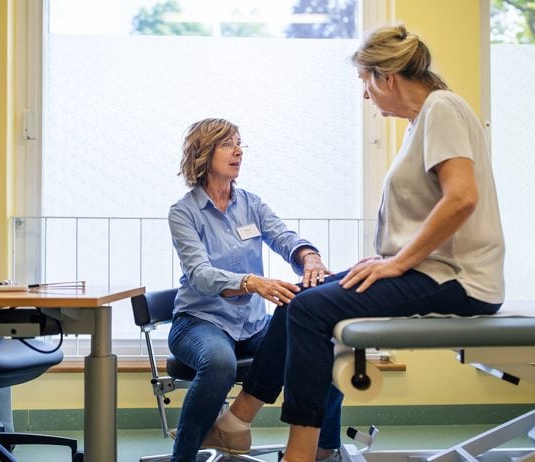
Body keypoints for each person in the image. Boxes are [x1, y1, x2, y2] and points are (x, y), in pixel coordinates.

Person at [202, 23, 506, 462]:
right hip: (432, 270)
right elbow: (433, 208)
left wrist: (397, 262)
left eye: (366, 82)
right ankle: (237, 421)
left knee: (309, 310)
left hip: (459, 280)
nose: (365, 94)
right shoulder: (424, 120)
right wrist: (389, 257)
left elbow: (461, 198)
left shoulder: (441, 108)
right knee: (297, 297)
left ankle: (300, 453)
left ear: (388, 78)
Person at [167, 118, 345, 462]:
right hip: (199, 322)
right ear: (203, 153)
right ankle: (185, 455)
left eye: (240, 144)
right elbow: (200, 275)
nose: (238, 152)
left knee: (322, 350)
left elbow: (283, 237)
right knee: (220, 363)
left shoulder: (251, 204)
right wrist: (251, 282)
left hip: (252, 326)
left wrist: (309, 256)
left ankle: (324, 450)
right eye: (228, 144)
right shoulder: (183, 212)